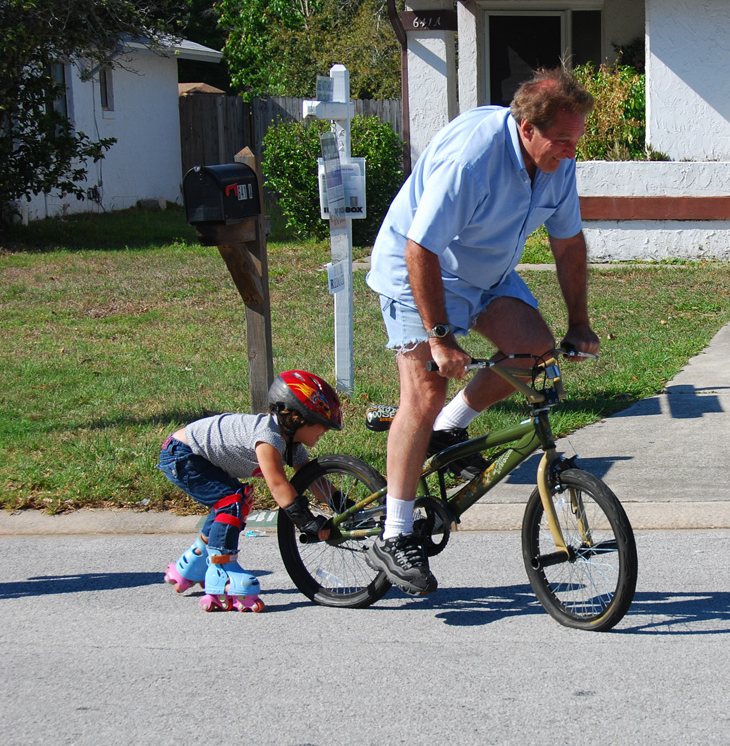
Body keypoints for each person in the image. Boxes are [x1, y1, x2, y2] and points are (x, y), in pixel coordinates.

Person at [364, 66, 600, 597]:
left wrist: (579, 323)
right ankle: (394, 533)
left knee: (534, 350)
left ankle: (450, 429)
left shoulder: (559, 163)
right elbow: (419, 248)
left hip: (485, 273)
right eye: (562, 139)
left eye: (576, 138)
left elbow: (567, 244)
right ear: (526, 128)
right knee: (423, 392)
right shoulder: (472, 160)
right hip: (417, 272)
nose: (570, 150)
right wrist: (442, 336)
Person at [157, 370, 343, 612]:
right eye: (322, 425)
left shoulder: (291, 443)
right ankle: (222, 572)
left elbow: (314, 481)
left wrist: (344, 506)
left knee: (233, 500)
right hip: (182, 454)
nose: (325, 432)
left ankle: (193, 564)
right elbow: (278, 486)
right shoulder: (268, 437)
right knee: (231, 501)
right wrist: (307, 522)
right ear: (298, 417)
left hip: (189, 453)